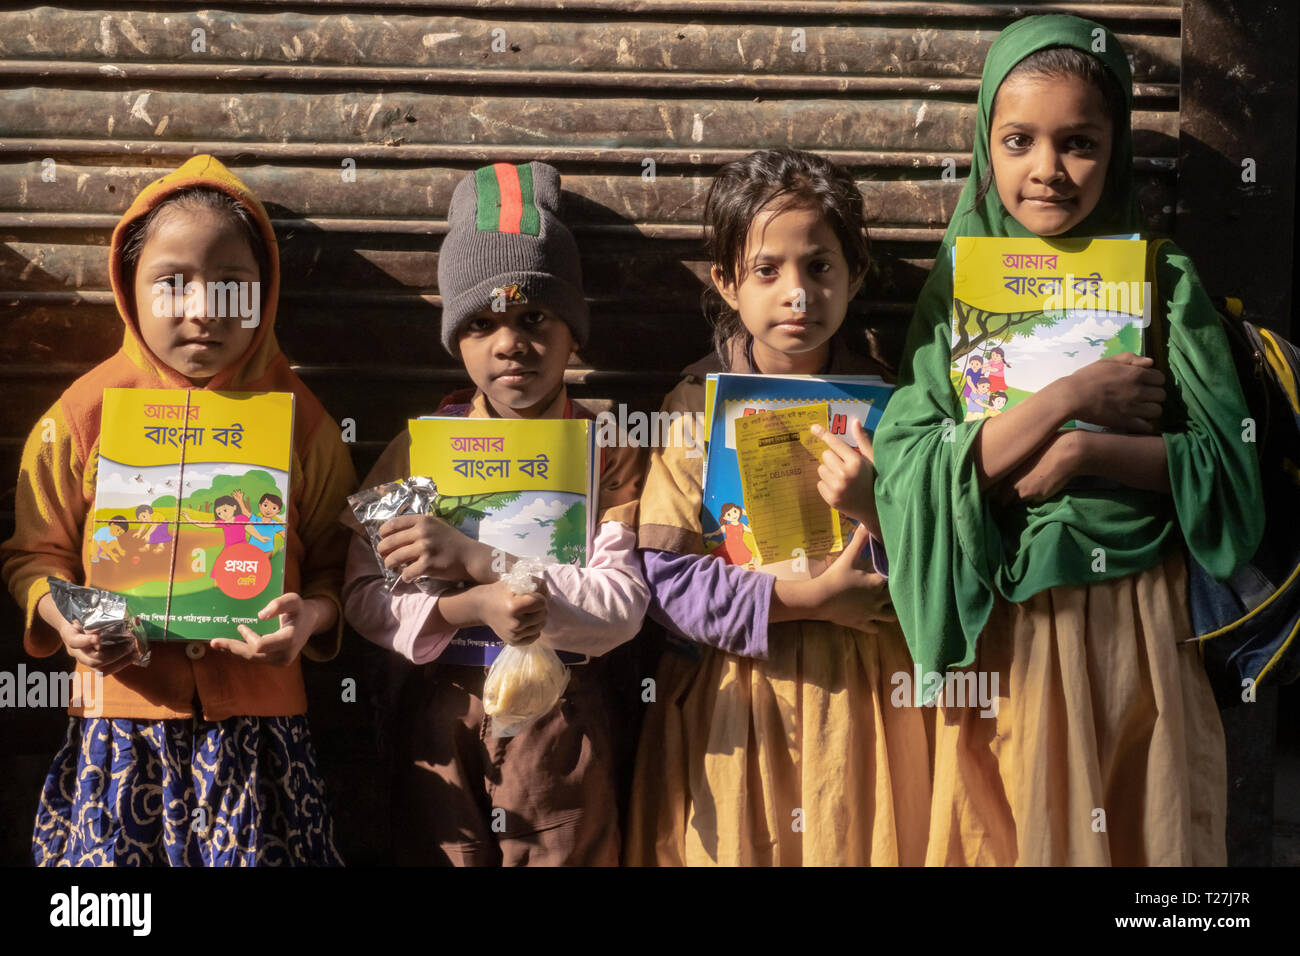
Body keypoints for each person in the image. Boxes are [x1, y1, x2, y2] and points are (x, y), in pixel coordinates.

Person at [873, 15, 1264, 866]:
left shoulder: (1162, 280)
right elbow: (911, 459)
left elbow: (1229, 469)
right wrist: (1071, 398)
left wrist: (1088, 454)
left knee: (1140, 834)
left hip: (1139, 623)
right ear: (987, 146)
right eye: (1018, 140)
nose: (1047, 169)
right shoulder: (957, 283)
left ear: (1115, 151)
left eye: (1079, 142)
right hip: (1009, 618)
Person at [0, 155, 357, 865]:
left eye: (232, 286)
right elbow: (33, 555)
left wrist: (308, 622)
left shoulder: (304, 423)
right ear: (129, 292)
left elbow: (336, 564)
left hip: (259, 733)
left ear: (266, 294)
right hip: (122, 726)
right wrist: (63, 616)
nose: (203, 310)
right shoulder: (79, 417)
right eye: (172, 284)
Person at [625, 147, 931, 866]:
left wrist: (875, 510)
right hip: (735, 700)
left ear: (855, 275)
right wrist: (810, 598)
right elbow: (666, 584)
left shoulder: (902, 408)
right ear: (727, 283)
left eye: (820, 267)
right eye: (767, 270)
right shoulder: (694, 411)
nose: (797, 293)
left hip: (869, 696)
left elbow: (946, 556)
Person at [342, 161, 648, 866]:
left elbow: (624, 607)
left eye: (534, 315)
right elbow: (363, 594)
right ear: (457, 340)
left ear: (575, 331)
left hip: (562, 724)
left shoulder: (608, 451)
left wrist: (486, 562)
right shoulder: (418, 451)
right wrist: (468, 606)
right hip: (442, 717)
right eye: (481, 322)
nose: (510, 342)